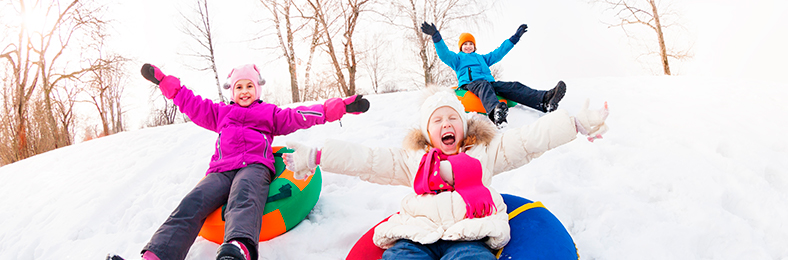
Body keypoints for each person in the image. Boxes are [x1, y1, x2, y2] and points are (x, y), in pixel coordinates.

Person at [285, 88, 608, 260]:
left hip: (468, 237)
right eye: (437, 121)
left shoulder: (484, 153)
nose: (446, 125)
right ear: (428, 132)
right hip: (414, 238)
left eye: (452, 119)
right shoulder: (414, 160)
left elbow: (526, 141)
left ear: (464, 126)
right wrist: (316, 155)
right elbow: (368, 159)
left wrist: (575, 123)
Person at [108, 64, 369, 260]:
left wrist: (336, 108)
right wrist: (166, 82)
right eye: (239, 87)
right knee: (192, 202)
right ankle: (156, 255)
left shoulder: (270, 113)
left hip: (255, 166)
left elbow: (299, 116)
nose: (244, 91)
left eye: (249, 86)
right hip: (220, 170)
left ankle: (238, 247)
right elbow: (191, 103)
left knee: (244, 196)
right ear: (232, 92)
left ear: (257, 90)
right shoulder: (221, 113)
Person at [420, 22, 567, 127]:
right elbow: (444, 54)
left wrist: (514, 39)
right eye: (465, 44)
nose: (468, 46)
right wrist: (436, 36)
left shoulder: (482, 58)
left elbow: (498, 53)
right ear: (461, 47)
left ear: (474, 46)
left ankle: (545, 100)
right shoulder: (457, 59)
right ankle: (495, 112)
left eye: (471, 43)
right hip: (471, 85)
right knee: (483, 86)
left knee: (513, 86)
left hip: (489, 82)